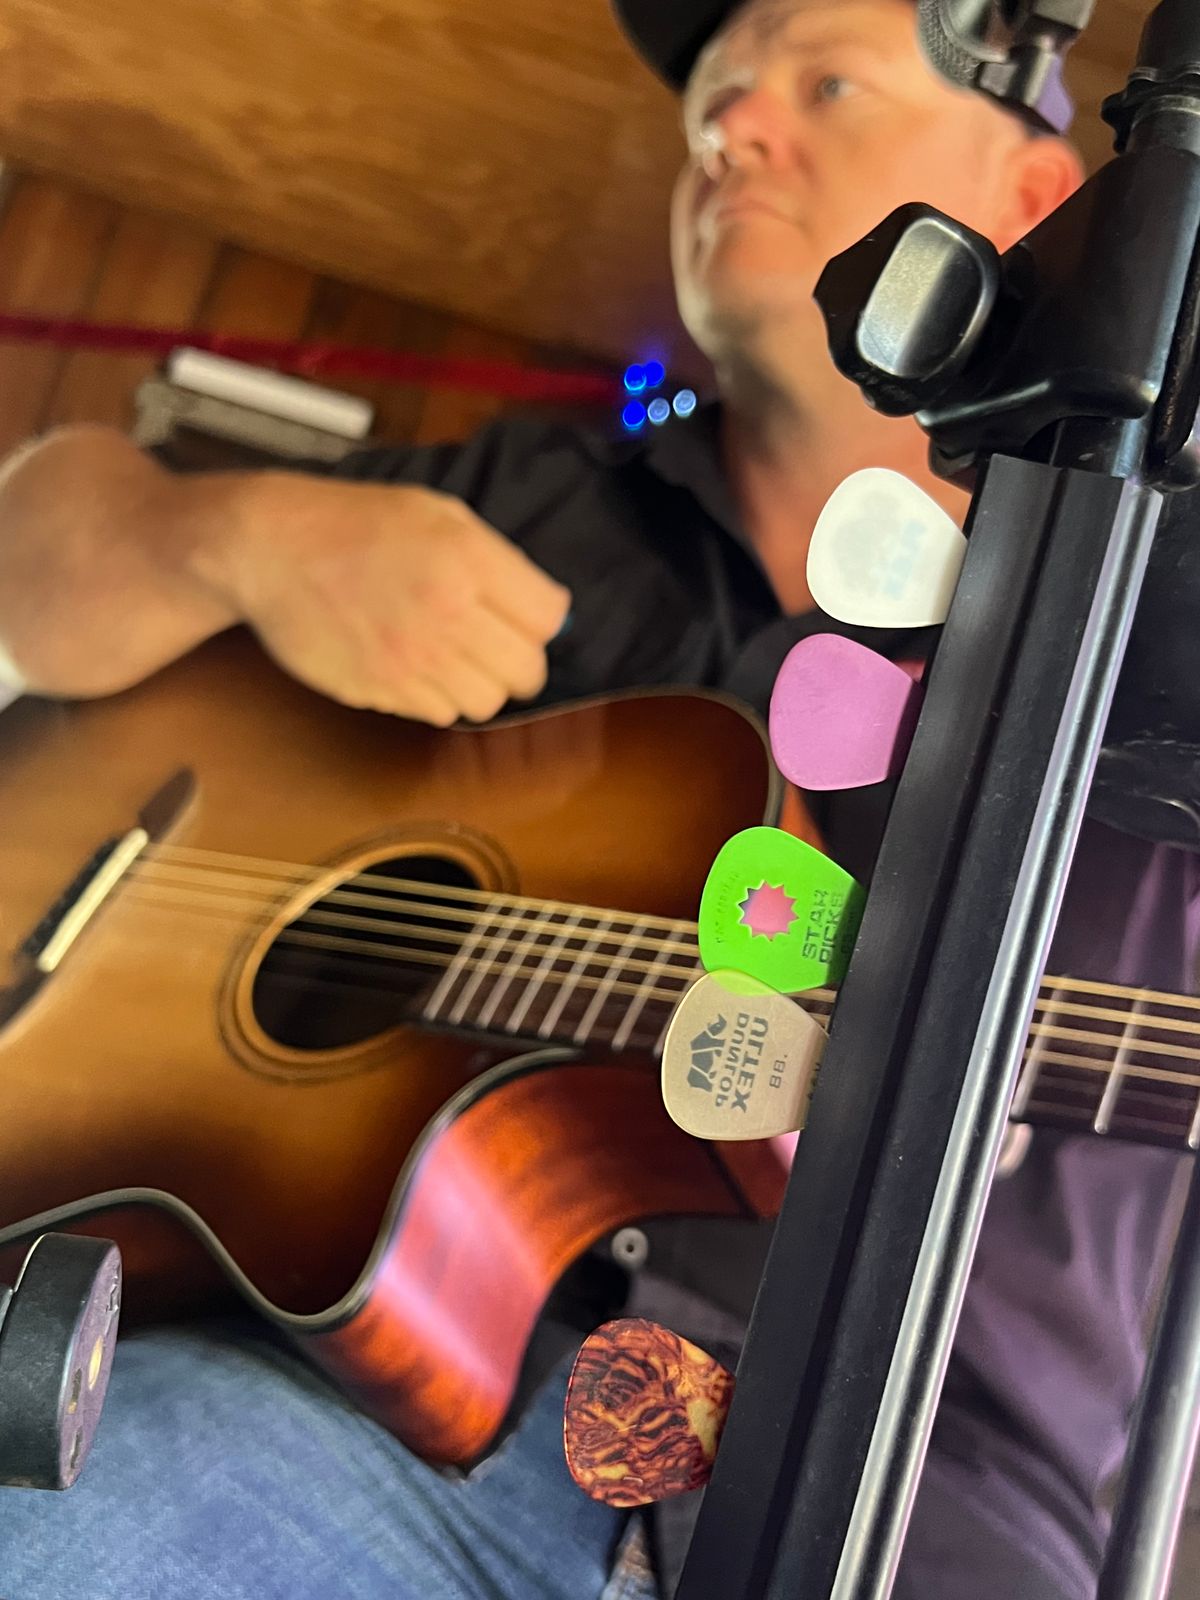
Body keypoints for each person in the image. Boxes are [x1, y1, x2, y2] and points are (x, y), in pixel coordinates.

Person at [0, 1, 1194, 1596]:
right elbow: (35, 553)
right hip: (382, 1422)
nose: (733, 132)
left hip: (920, 1497)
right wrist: (239, 539)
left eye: (826, 81)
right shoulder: (545, 498)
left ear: (1035, 197)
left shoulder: (1155, 623)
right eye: (714, 107)